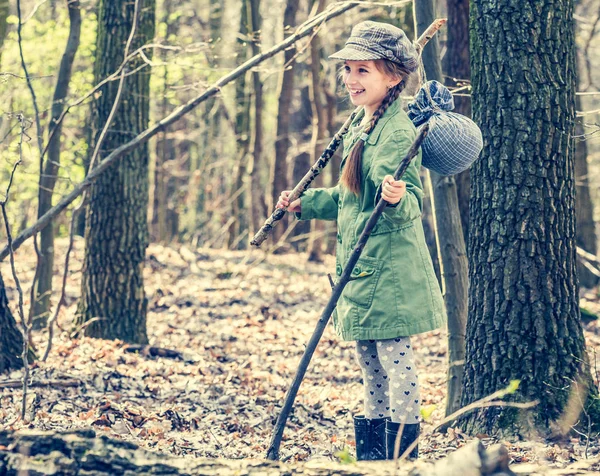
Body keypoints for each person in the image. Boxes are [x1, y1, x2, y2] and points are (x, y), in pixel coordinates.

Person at [277, 21, 446, 461]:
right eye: (347, 69)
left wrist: (397, 196)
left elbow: (412, 202)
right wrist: (304, 203)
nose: (350, 79)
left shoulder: (395, 130)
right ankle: (373, 459)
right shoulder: (361, 124)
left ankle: (403, 458)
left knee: (396, 362)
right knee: (369, 366)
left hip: (388, 271)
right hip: (359, 268)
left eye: (362, 70)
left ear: (392, 76)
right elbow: (349, 198)